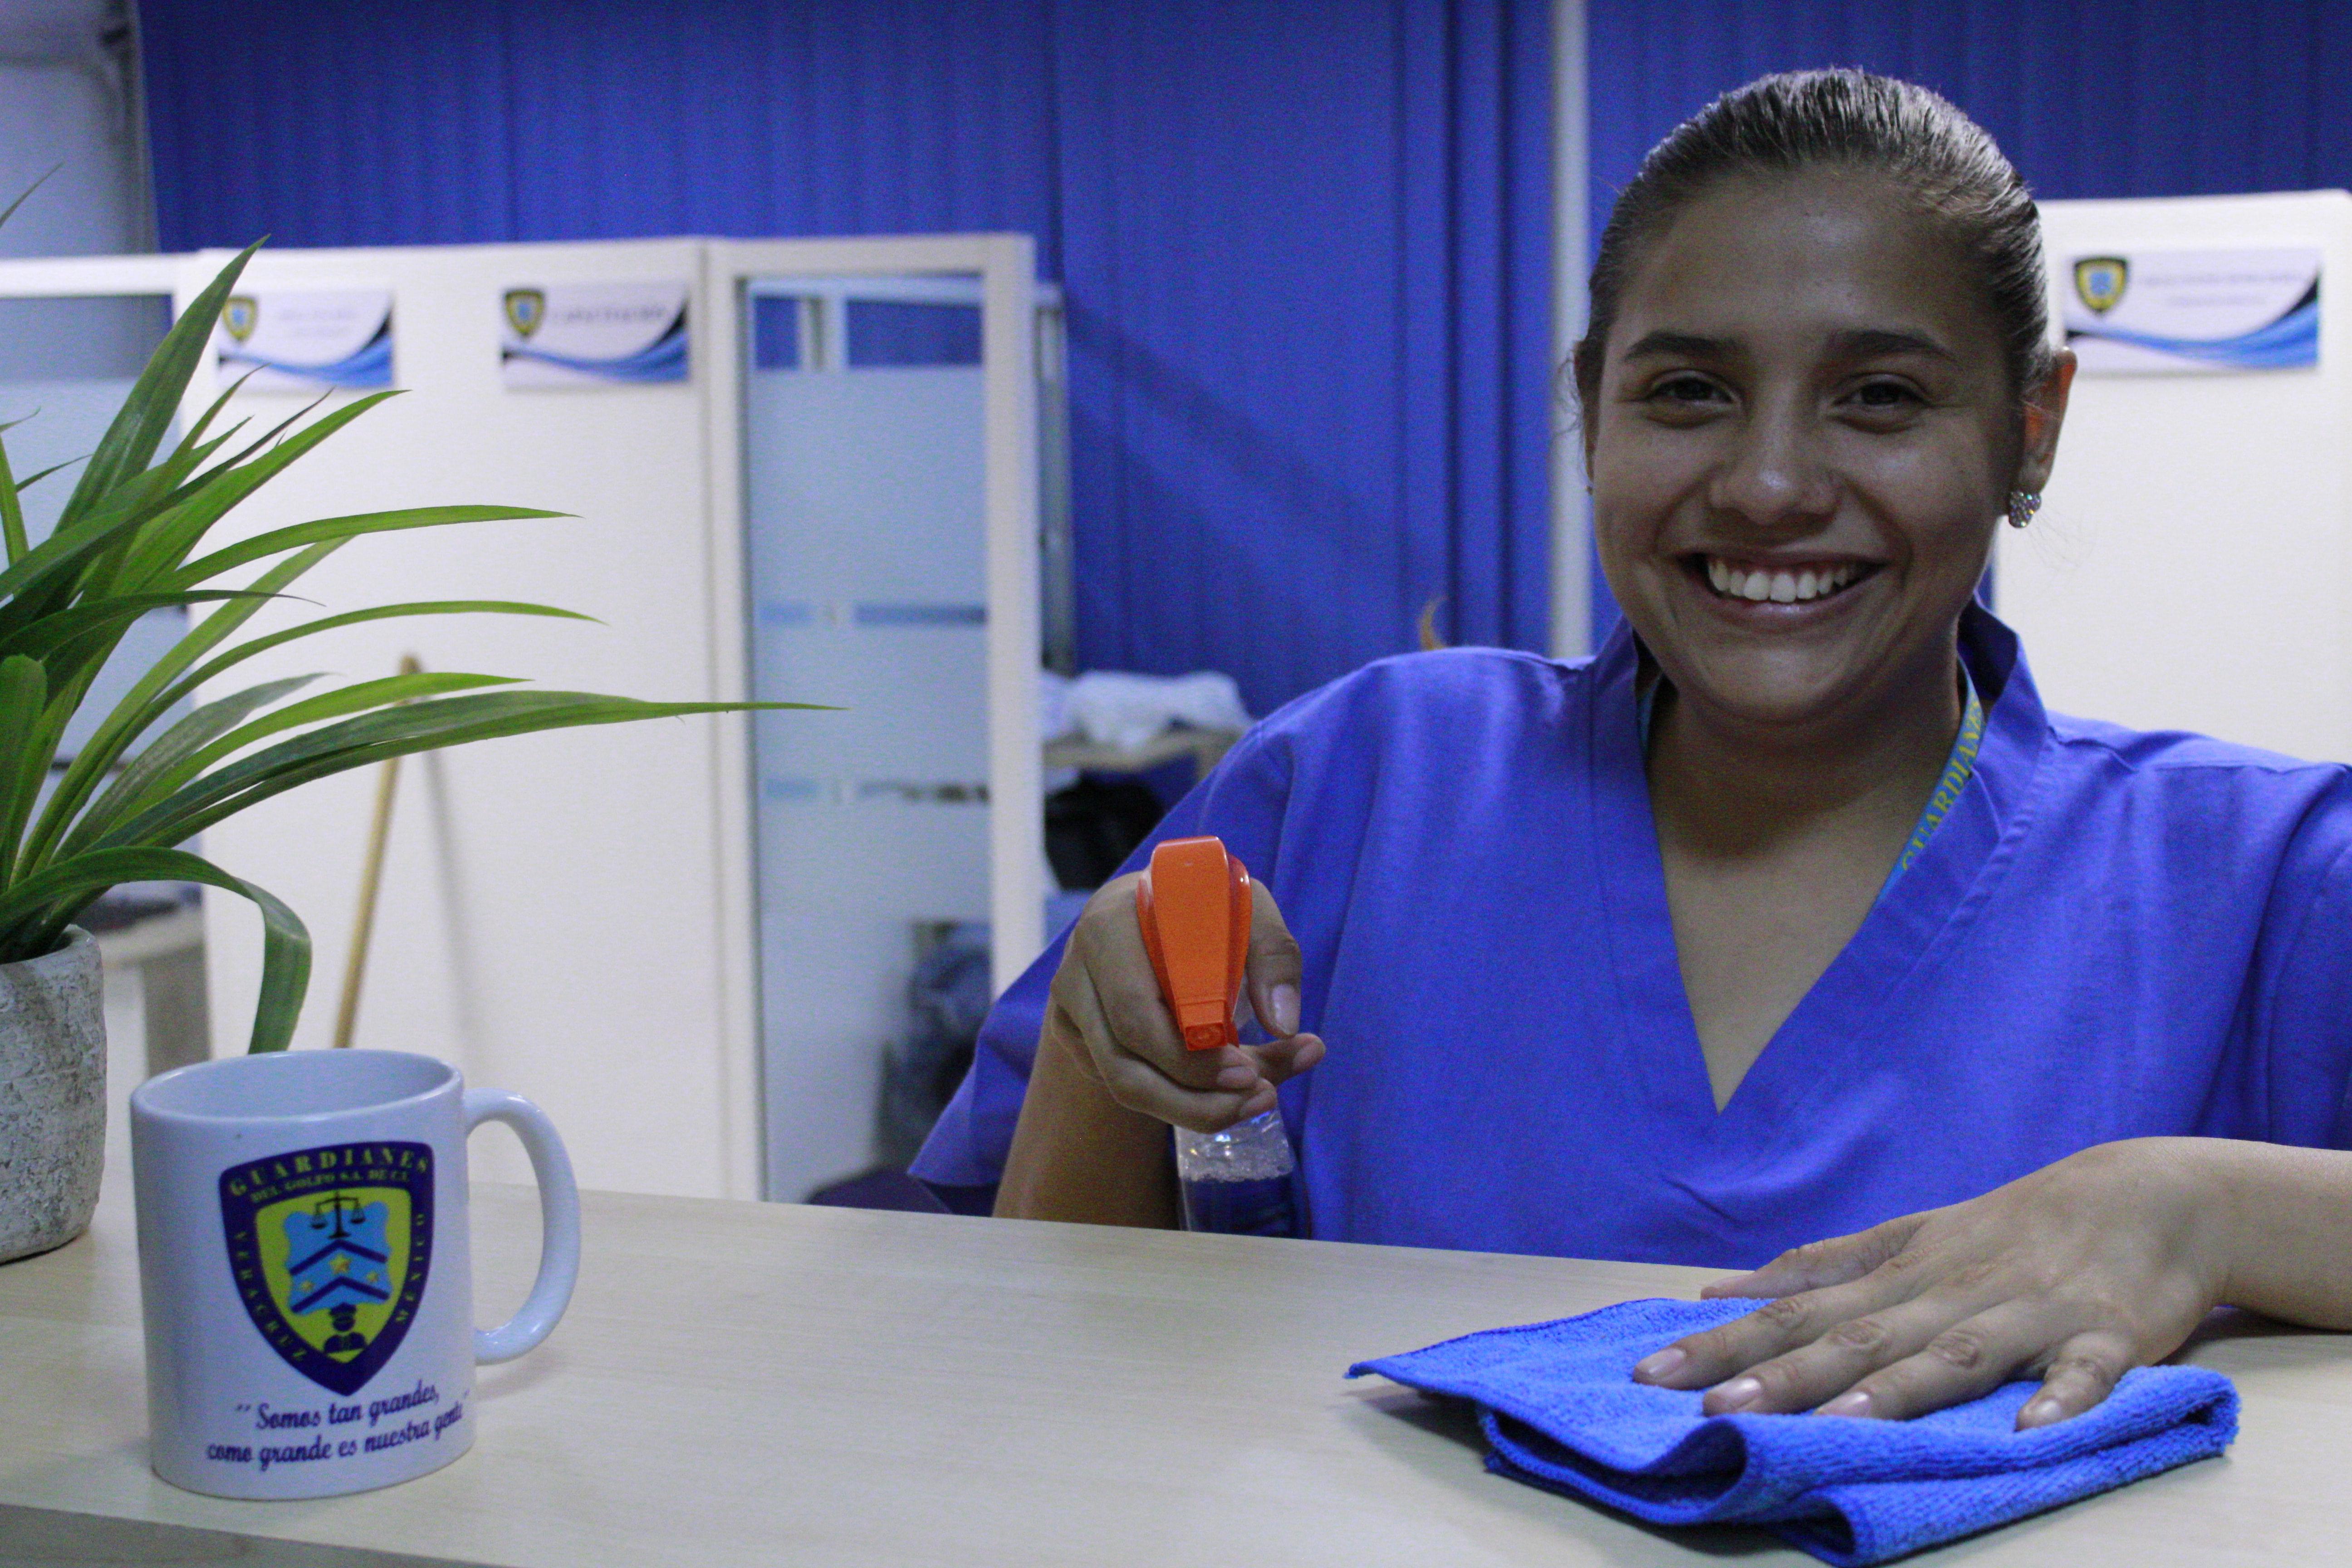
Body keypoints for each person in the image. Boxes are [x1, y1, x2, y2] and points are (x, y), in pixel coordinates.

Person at [912, 69, 2352, 1429]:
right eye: (1687, 392)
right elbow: (1049, 1369)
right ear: (1591, 406)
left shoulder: (2263, 880)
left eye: (1883, 398)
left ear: (2031, 431)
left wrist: (2201, 1202)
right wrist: (1103, 1063)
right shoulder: (1359, 786)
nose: (1773, 484)